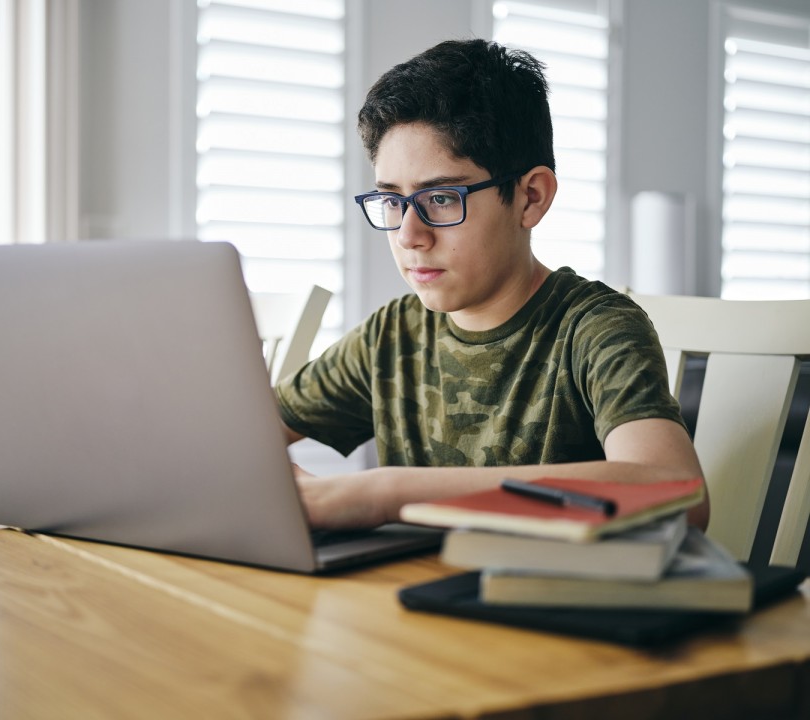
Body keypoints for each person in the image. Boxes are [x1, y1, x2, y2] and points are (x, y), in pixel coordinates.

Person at [274, 39, 707, 531]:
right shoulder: (391, 337)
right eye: (392, 201)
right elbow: (240, 432)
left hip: (537, 598)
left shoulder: (595, 329)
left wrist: (385, 492)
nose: (409, 236)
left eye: (440, 198)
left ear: (531, 197)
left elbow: (676, 492)